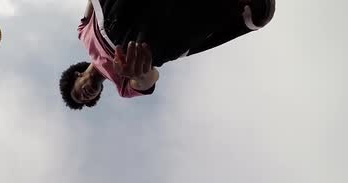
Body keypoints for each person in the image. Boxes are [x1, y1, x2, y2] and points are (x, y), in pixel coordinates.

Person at [59, 0, 276, 110]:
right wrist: (142, 73)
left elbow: (92, 5)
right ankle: (235, 7)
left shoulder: (83, 35)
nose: (86, 96)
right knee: (161, 52)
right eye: (88, 100)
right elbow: (149, 80)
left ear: (76, 76)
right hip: (153, 36)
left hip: (120, 12)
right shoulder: (122, 86)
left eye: (78, 94)